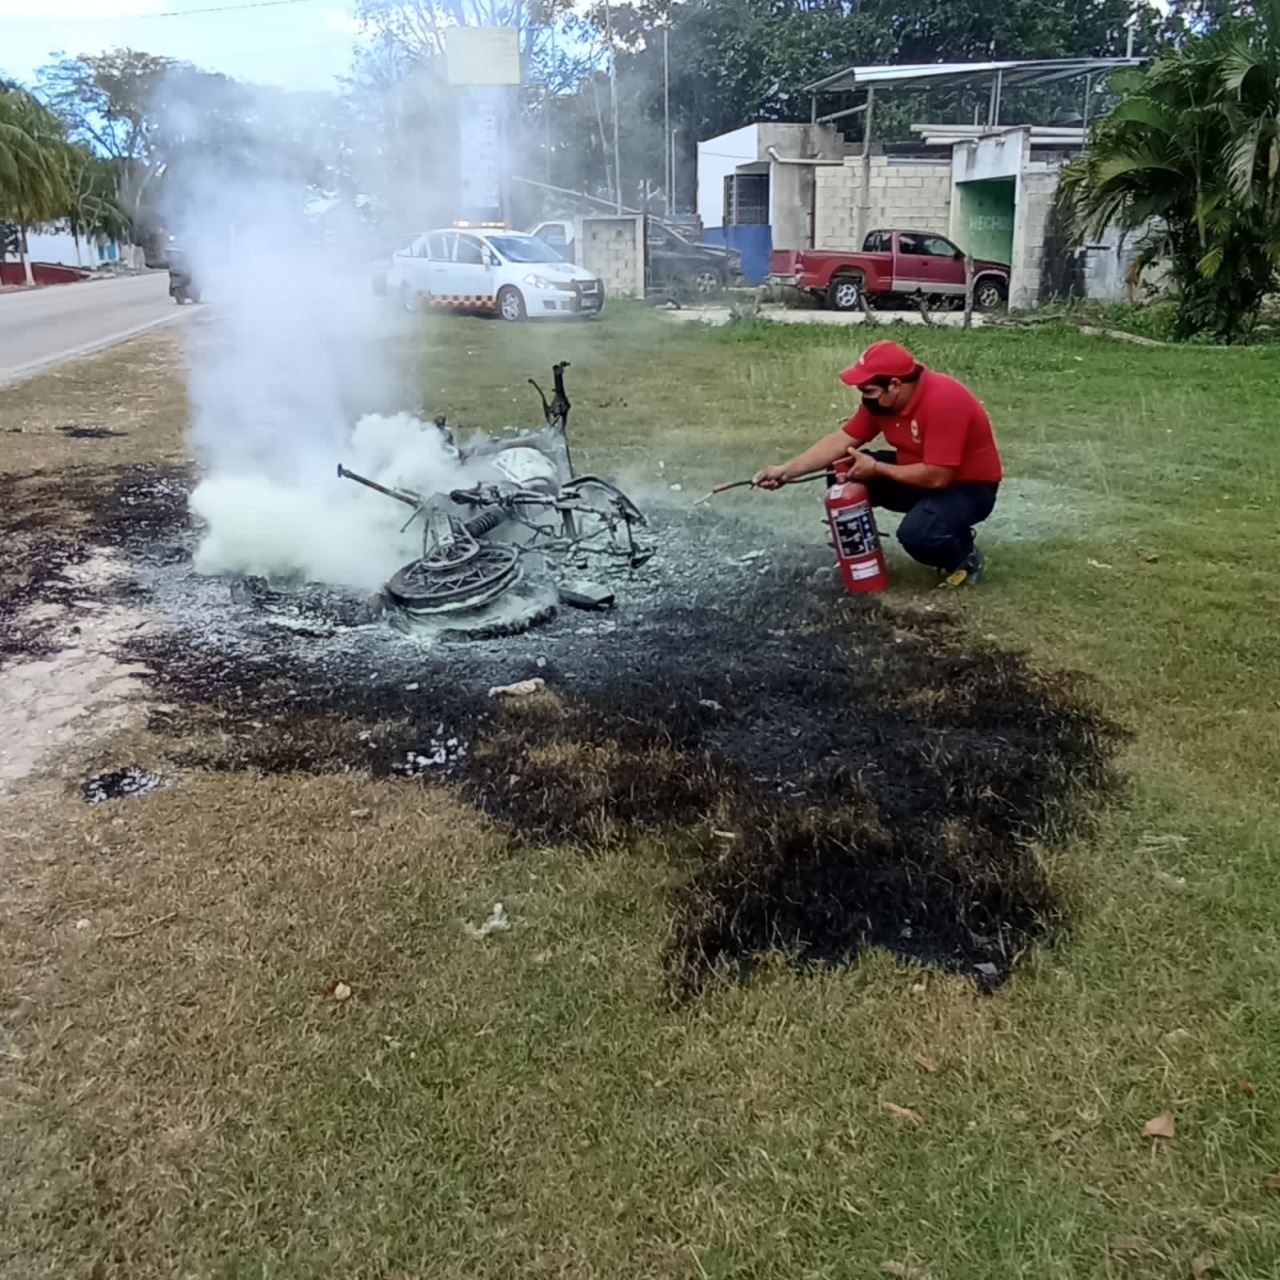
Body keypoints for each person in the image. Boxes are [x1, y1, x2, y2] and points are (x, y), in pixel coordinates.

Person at [753, 339, 1002, 587]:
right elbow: (840, 441)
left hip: (968, 487)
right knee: (843, 469)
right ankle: (861, 558)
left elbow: (938, 476)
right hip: (918, 471)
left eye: (868, 391)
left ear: (894, 385)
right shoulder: (882, 403)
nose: (865, 398)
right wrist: (785, 471)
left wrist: (877, 468)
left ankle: (962, 555)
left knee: (917, 535)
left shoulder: (944, 401)